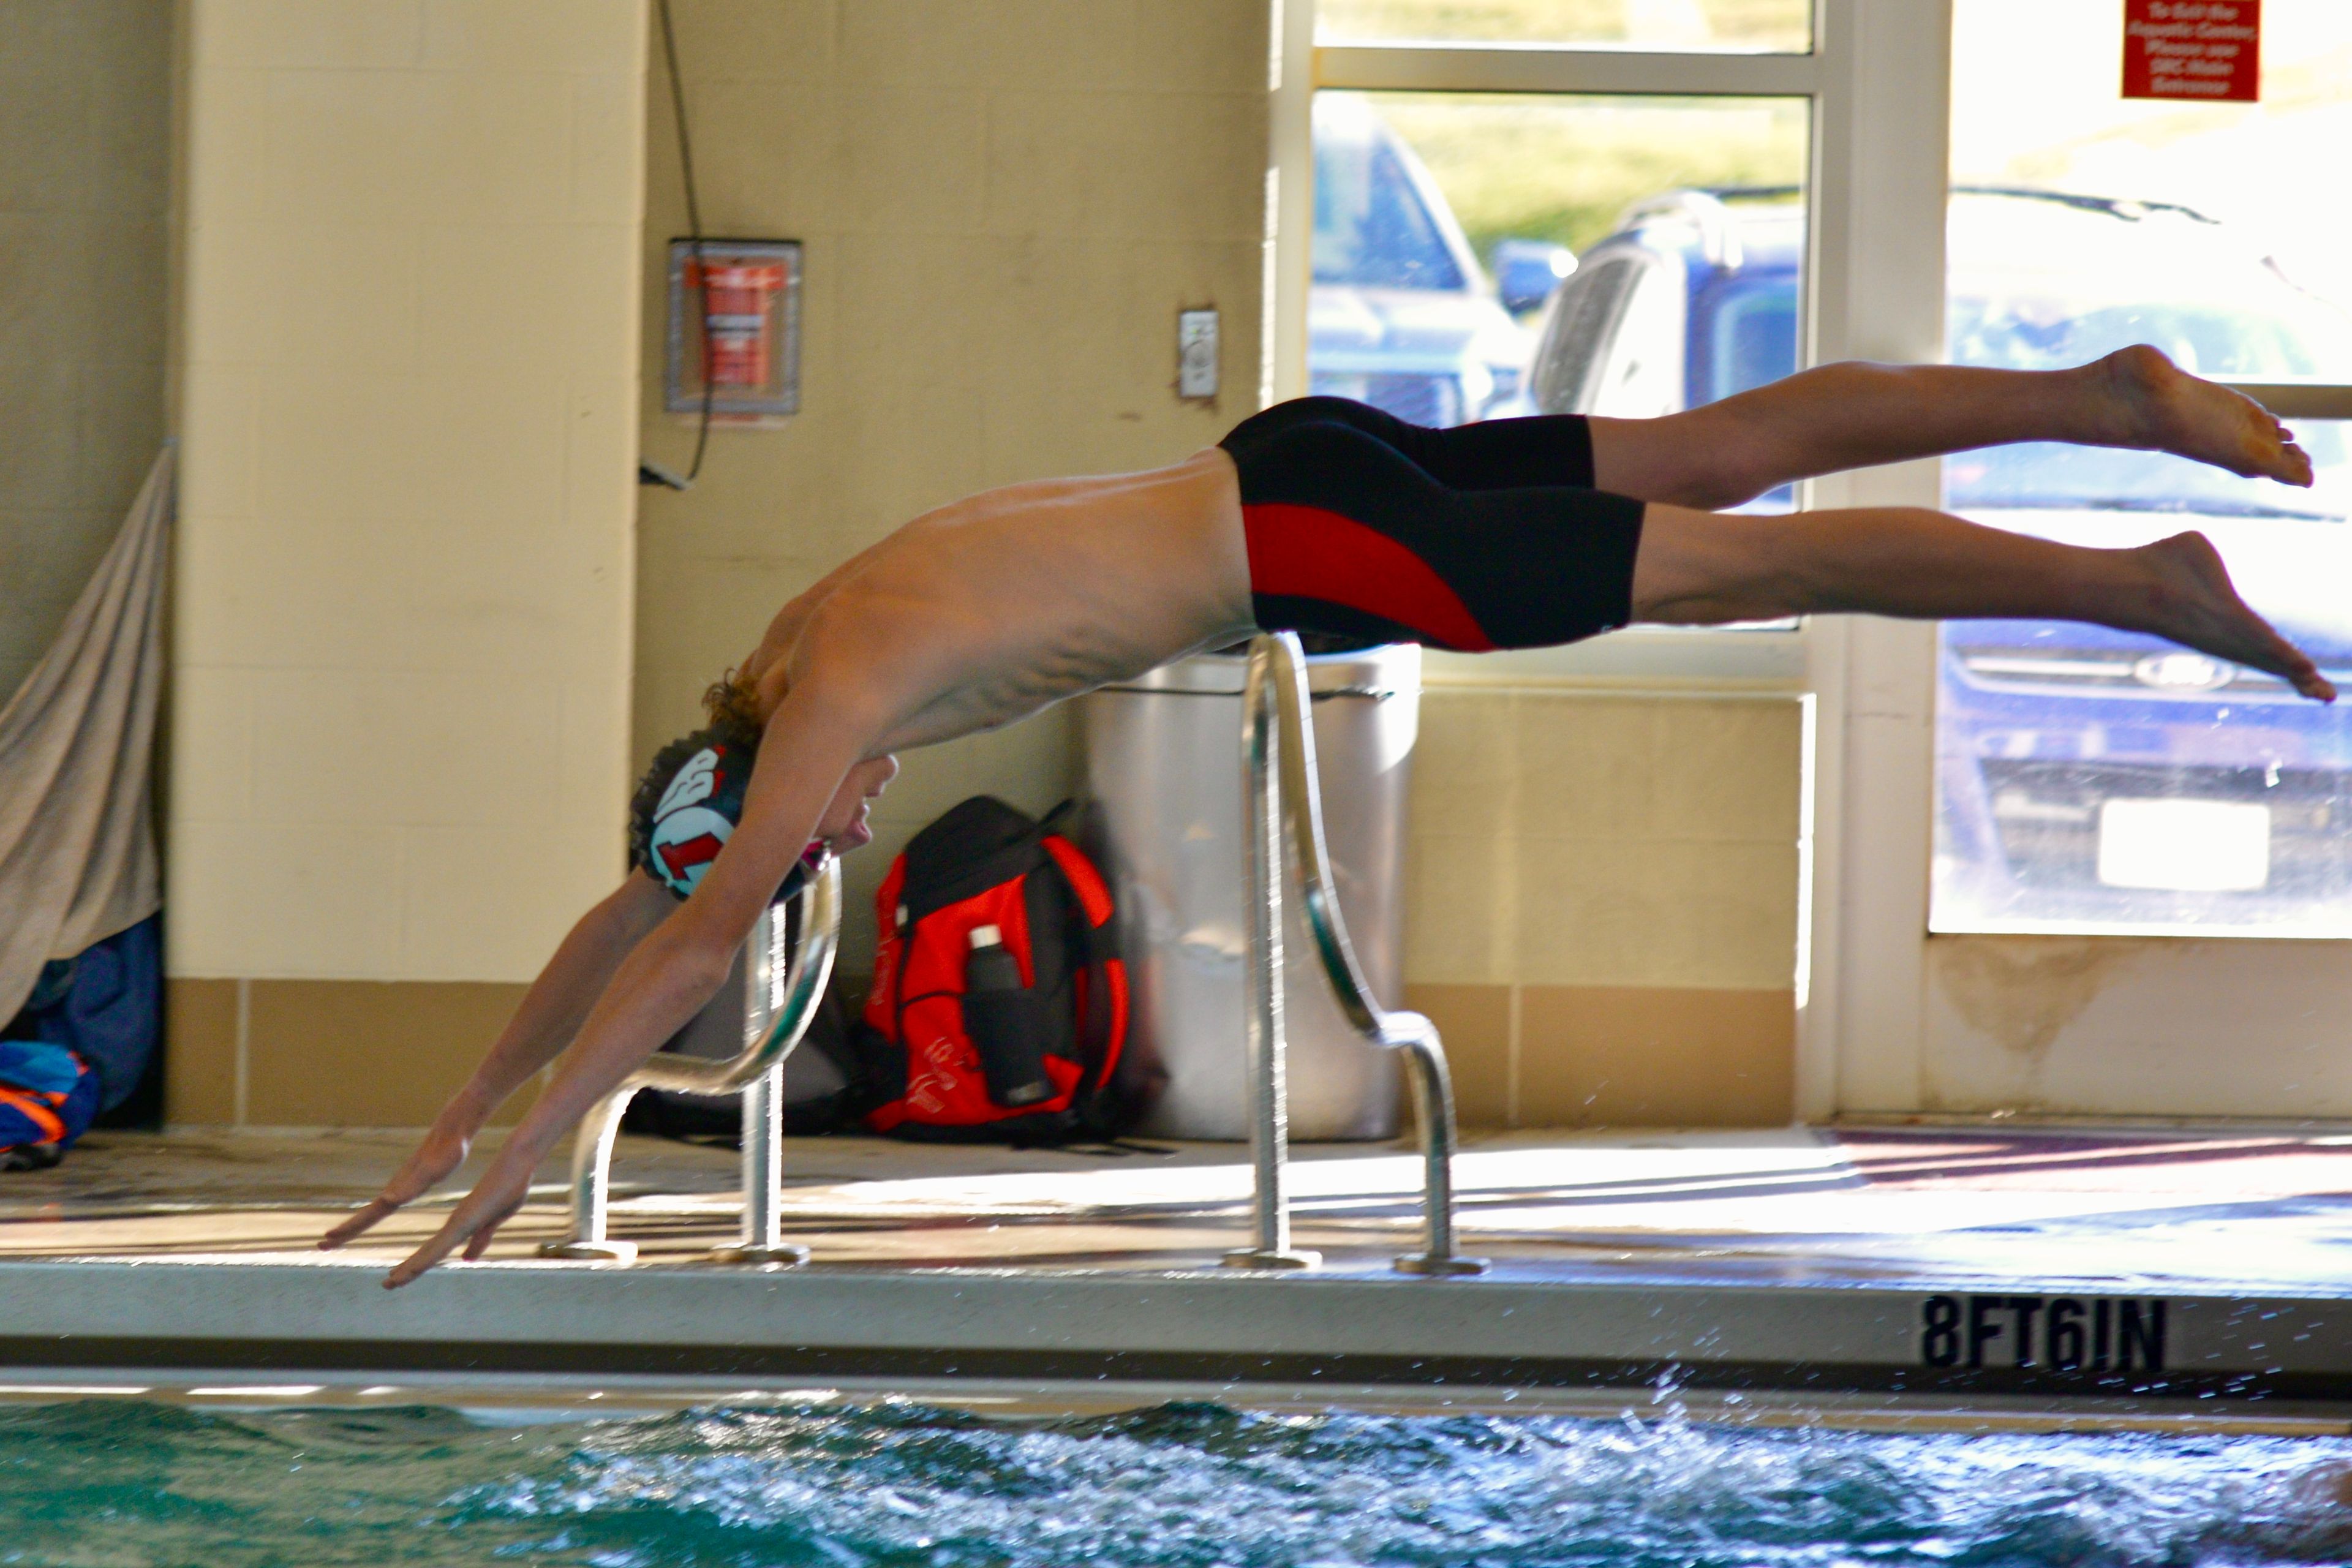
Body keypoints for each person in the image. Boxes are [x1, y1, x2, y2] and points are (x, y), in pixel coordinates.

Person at [322, 344, 2329, 1286]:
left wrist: (537, 1139)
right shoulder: (804, 637)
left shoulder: (829, 707)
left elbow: (679, 928)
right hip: (1290, 464)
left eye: (807, 841)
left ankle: (2136, 577)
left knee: (1744, 567)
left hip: (1311, 543)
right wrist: (455, 1109)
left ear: (750, 784)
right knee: (1730, 446)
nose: (839, 839)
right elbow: (637, 906)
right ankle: (2102, 398)